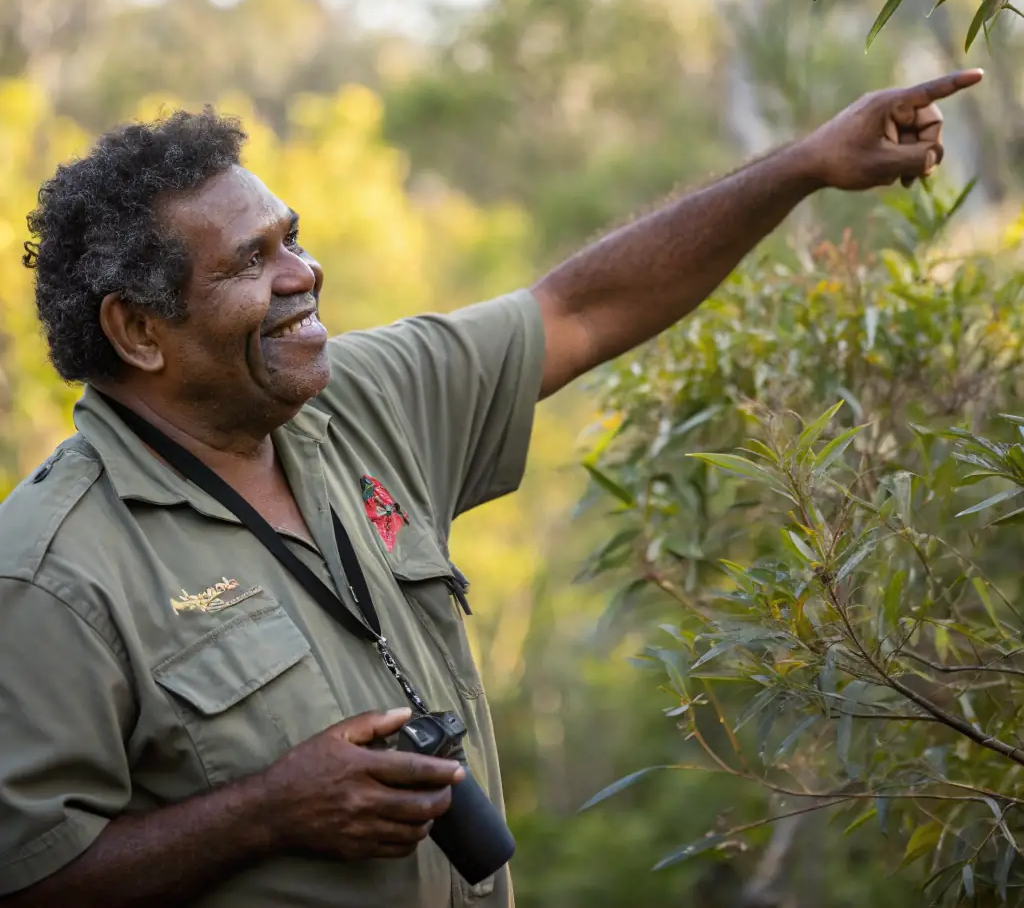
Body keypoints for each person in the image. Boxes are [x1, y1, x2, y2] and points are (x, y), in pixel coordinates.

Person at [0, 70, 981, 908]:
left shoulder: (358, 399)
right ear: (138, 331)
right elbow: (26, 877)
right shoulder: (53, 571)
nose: (304, 274)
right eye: (252, 262)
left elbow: (581, 307)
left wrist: (804, 165)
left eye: (290, 238)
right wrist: (266, 813)